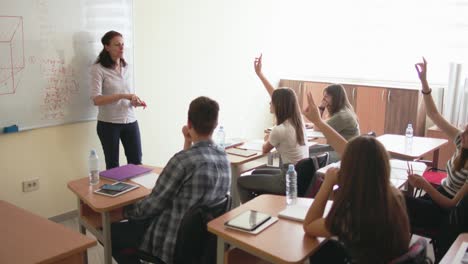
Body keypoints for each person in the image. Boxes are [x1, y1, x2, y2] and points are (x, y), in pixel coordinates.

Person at [110, 96, 231, 264]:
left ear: (189, 123)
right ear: (215, 125)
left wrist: (122, 212)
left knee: (110, 233)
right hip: (200, 244)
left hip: (169, 240)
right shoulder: (224, 158)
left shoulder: (181, 161)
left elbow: (153, 204)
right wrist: (187, 141)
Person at [302, 92, 410, 264]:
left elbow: (310, 225)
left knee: (318, 253)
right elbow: (356, 154)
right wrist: (319, 122)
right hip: (383, 257)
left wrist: (327, 183)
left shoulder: (354, 215)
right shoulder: (393, 194)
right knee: (328, 248)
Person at [405, 58, 468, 261]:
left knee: (399, 203)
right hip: (438, 194)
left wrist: (425, 184)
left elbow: (451, 205)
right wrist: (424, 82)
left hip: (444, 211)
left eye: (467, 133)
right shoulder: (461, 143)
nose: (462, 134)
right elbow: (434, 114)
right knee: (401, 201)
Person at [237, 54, 309, 203]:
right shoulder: (298, 121)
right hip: (298, 176)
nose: (270, 103)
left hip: (286, 179)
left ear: (278, 105)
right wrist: (260, 75)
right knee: (257, 171)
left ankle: (251, 210)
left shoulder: (280, 130)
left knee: (241, 181)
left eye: (272, 102)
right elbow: (276, 95)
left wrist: (267, 140)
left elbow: (265, 150)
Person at [91, 30, 146, 169]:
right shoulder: (98, 69)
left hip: (130, 120)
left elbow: (128, 95)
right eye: (117, 45)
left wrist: (134, 101)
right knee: (113, 166)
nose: (122, 48)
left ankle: (137, 191)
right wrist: (123, 96)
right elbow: (96, 100)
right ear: (107, 47)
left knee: (136, 163)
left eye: (123, 44)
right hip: (108, 124)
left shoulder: (128, 67)